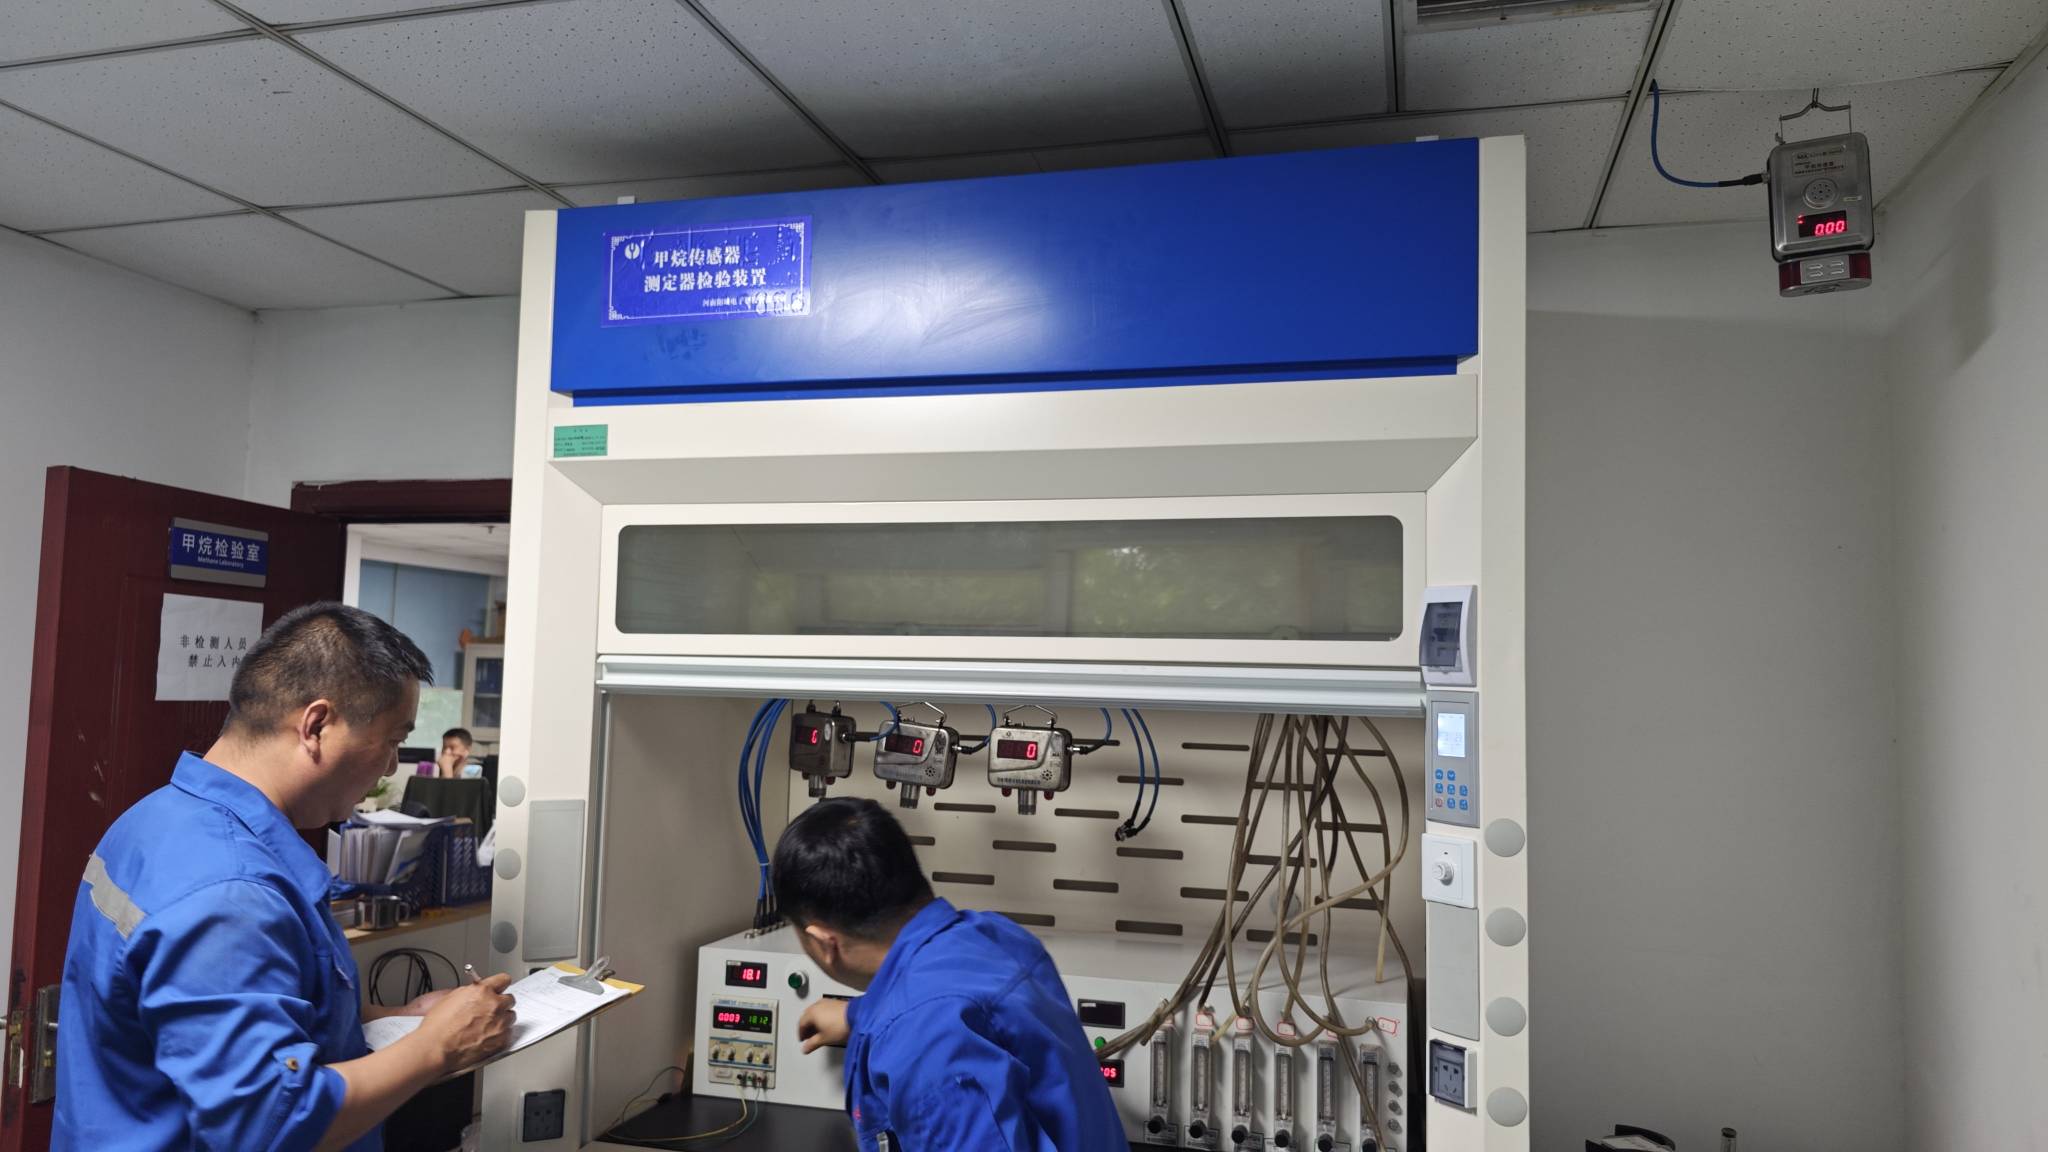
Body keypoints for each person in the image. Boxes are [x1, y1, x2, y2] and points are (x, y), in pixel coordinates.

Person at [55, 603, 515, 1151]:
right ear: (316, 726)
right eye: (393, 740)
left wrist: (400, 1019)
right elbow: (269, 1125)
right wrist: (437, 1048)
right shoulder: (231, 893)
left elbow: (204, 1015)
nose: (392, 766)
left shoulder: (156, 818)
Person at [777, 797, 1125, 1152]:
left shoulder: (927, 1046)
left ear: (824, 942)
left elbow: (933, 1025)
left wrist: (895, 1024)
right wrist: (858, 1015)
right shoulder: (994, 935)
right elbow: (945, 996)